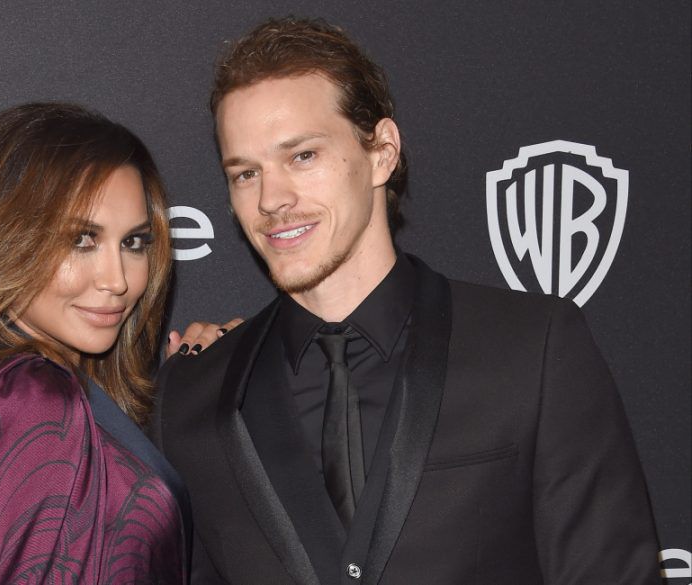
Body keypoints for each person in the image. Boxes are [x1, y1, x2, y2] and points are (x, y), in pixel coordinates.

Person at [151, 17, 661, 584]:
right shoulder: (194, 393)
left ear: (382, 153)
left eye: (303, 157)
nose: (272, 198)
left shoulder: (531, 350)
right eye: (246, 173)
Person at [0, 103, 229, 584]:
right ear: (6, 240)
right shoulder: (29, 398)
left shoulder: (21, 390)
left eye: (133, 243)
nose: (117, 280)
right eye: (82, 240)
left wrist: (183, 408)